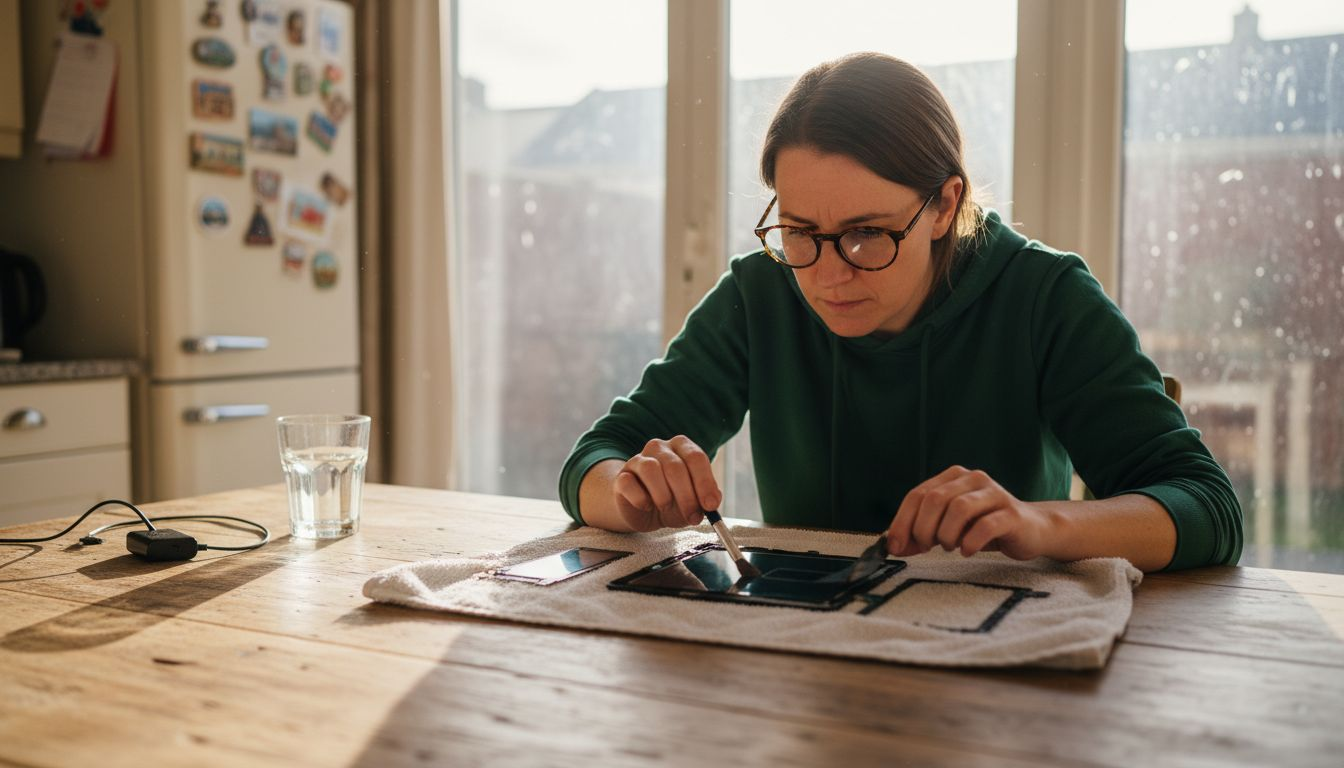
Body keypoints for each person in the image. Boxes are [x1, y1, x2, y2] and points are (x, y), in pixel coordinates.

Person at [558, 52, 1242, 572]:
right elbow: (593, 459)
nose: (827, 274)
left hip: (995, 682)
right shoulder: (760, 294)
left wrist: (1040, 525)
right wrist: (631, 493)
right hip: (804, 661)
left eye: (867, 234)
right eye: (799, 232)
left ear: (944, 205)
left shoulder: (1044, 297)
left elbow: (1208, 506)